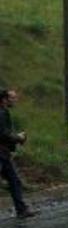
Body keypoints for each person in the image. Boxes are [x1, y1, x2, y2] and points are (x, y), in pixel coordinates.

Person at [0, 87, 35, 219]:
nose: (15, 100)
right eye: (12, 98)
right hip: (1, 154)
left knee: (14, 181)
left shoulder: (4, 111)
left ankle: (21, 210)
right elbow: (3, 134)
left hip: (4, 154)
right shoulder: (1, 113)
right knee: (14, 181)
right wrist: (18, 137)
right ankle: (21, 210)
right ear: (4, 100)